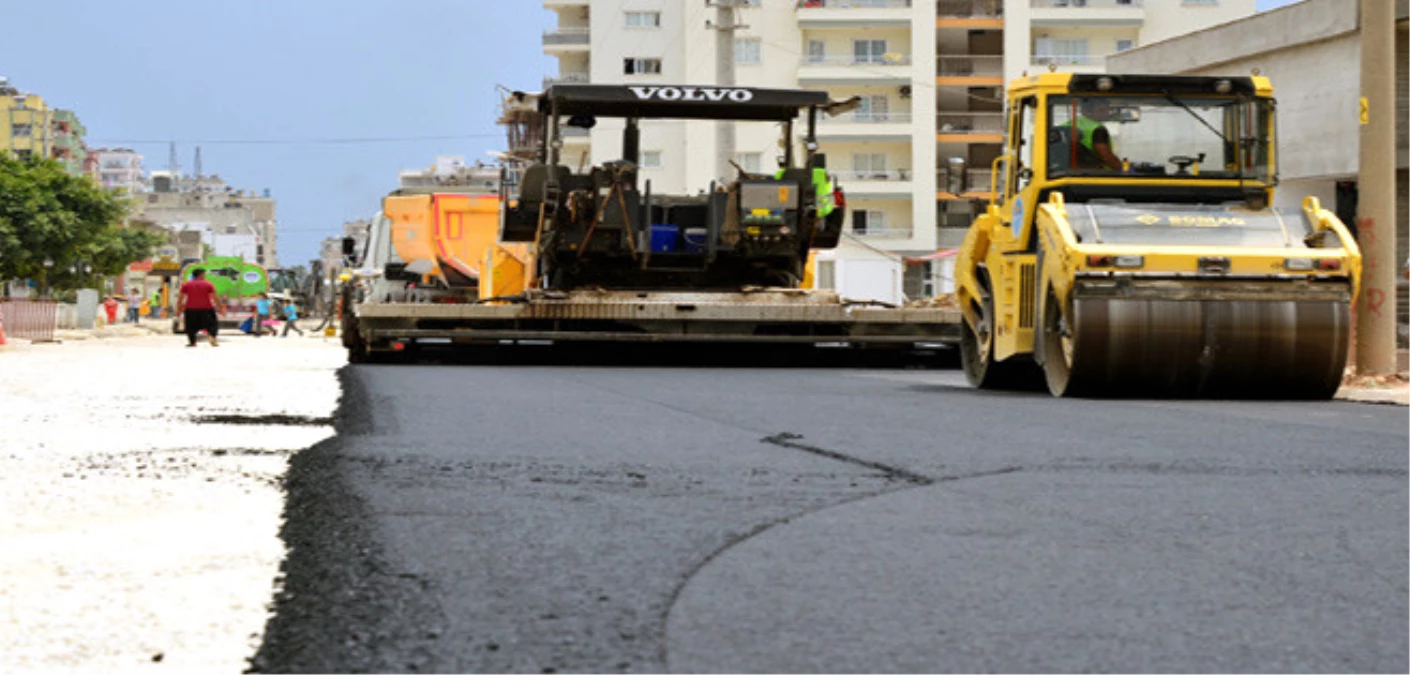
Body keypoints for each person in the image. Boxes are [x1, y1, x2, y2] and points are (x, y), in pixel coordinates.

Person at [1070, 98, 1123, 171]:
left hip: (1072, 172)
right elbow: (1105, 156)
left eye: (1108, 110)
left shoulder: (1068, 124)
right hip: (1097, 175)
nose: (1106, 113)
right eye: (1101, 110)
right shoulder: (1098, 128)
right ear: (1086, 111)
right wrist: (1122, 168)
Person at [178, 269, 225, 347]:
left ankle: (192, 342)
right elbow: (215, 297)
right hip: (206, 308)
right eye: (204, 274)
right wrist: (220, 307)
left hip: (190, 309)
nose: (205, 275)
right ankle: (212, 336)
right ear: (201, 275)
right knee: (212, 324)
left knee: (190, 326)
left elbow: (181, 298)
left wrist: (178, 309)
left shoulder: (186, 285)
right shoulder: (208, 284)